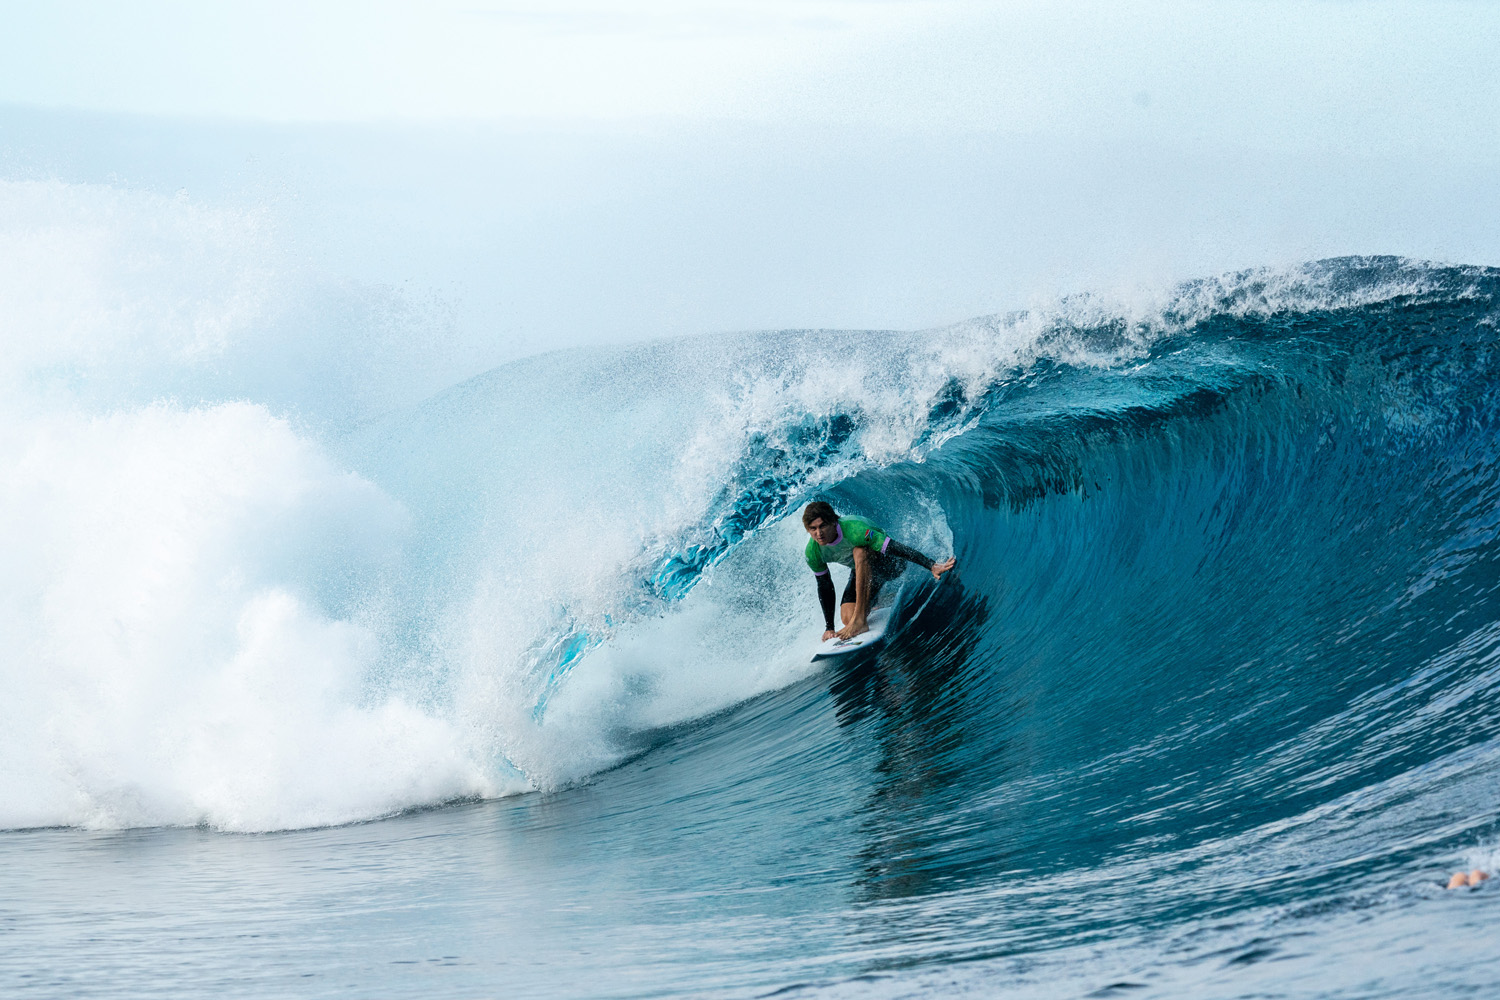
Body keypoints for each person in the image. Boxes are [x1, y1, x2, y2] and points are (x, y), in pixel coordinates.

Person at [802, 500, 956, 641]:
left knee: (859, 551)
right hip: (866, 573)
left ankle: (860, 619)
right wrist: (829, 627)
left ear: (833, 522)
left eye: (822, 526)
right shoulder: (813, 551)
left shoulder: (855, 530)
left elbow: (896, 548)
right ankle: (875, 603)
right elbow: (825, 586)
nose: (818, 533)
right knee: (847, 618)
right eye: (813, 529)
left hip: (891, 565)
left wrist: (930, 565)